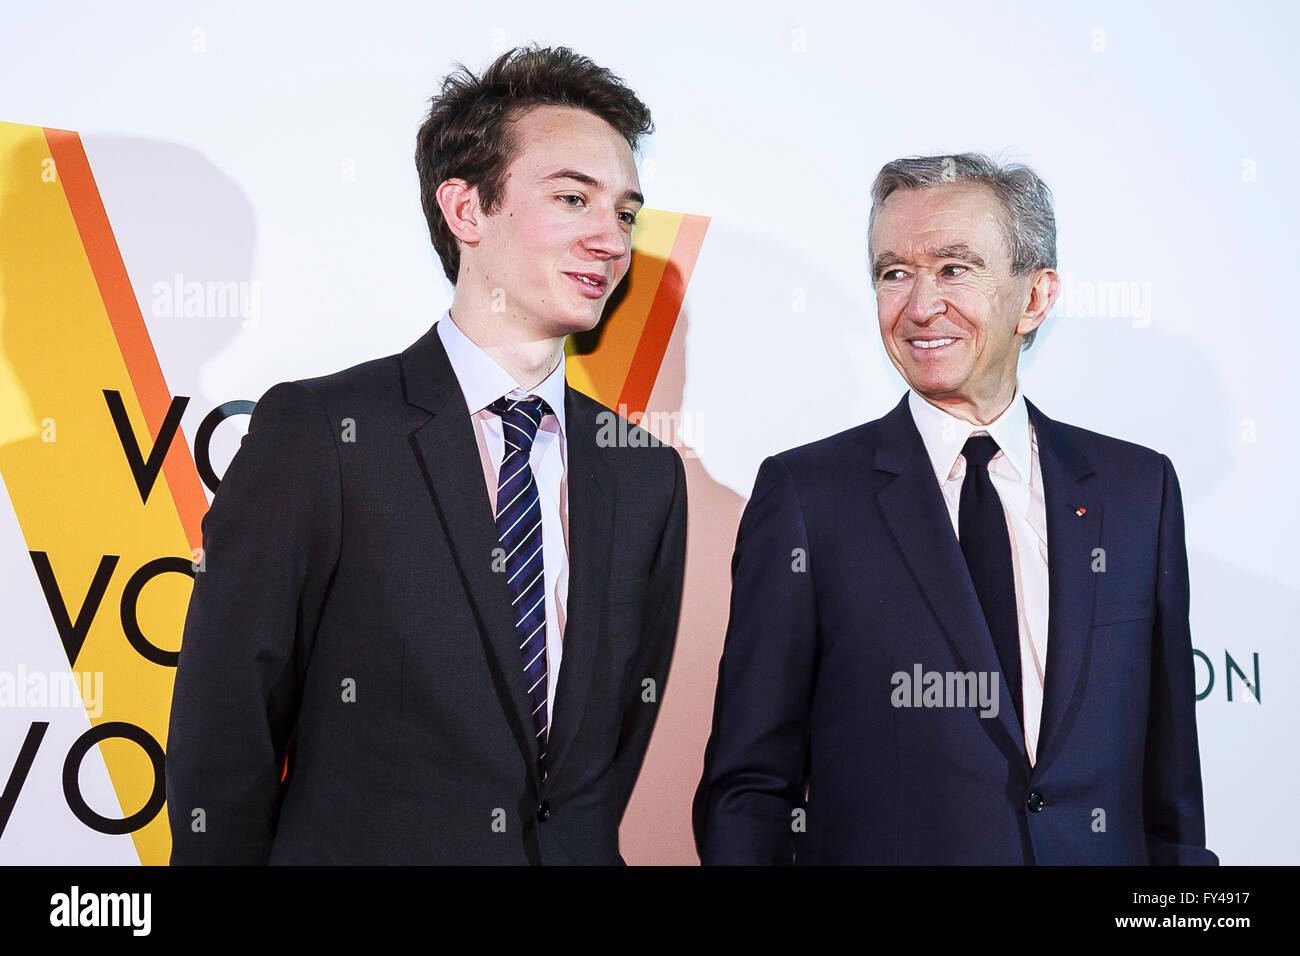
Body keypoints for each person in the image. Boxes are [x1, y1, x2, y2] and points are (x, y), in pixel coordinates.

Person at [167, 45, 687, 865]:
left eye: (624, 212)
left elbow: (606, 757)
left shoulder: (642, 472)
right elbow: (223, 735)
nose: (610, 239)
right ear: (466, 210)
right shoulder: (324, 431)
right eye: (571, 197)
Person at [693, 153, 1215, 865]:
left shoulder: (1136, 490)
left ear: (1034, 297)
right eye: (893, 272)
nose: (919, 306)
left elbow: (1171, 795)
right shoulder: (809, 498)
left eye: (954, 268)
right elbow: (750, 791)